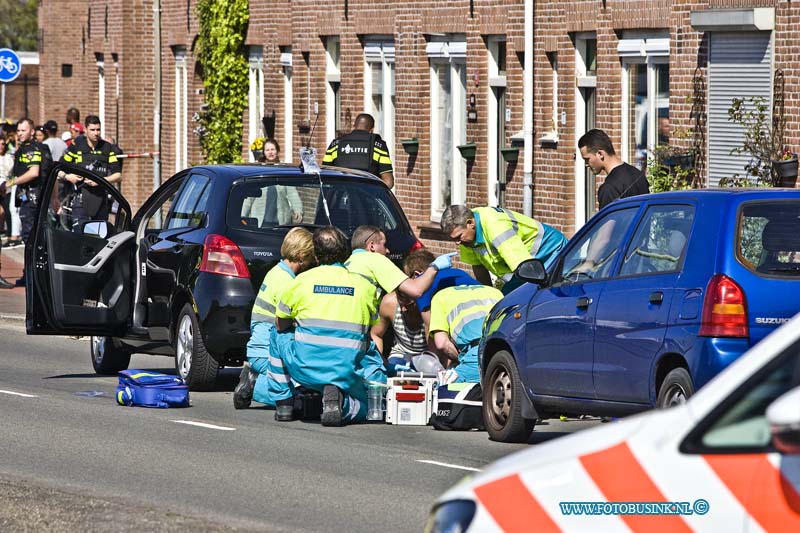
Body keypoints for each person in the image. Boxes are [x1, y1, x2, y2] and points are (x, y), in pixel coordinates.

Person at [268, 226, 380, 426]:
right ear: (345, 253)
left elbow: (280, 324)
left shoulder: (300, 282)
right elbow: (371, 330)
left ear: (316, 255)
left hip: (305, 368)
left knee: (276, 334)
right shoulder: (366, 287)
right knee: (366, 408)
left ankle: (284, 402)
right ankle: (343, 403)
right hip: (346, 370)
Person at [233, 227, 316, 411]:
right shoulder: (288, 283)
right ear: (302, 255)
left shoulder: (276, 272)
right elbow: (286, 322)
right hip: (266, 353)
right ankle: (254, 385)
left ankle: (254, 377)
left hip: (258, 349)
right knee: (293, 394)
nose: (312, 262)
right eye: (311, 257)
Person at [440, 205, 567, 294]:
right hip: (526, 266)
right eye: (453, 239)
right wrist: (487, 295)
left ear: (470, 223)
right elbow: (478, 267)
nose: (457, 243)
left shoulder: (495, 225)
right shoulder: (467, 238)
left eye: (458, 236)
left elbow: (523, 266)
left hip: (552, 251)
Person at [345, 225, 454, 302]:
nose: (387, 251)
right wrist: (435, 267)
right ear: (372, 246)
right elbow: (416, 290)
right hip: (352, 330)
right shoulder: (375, 259)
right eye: (384, 245)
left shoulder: (347, 263)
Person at [429, 284, 503, 383]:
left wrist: (460, 357)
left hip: (478, 356)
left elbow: (442, 343)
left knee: (442, 387)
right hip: (509, 353)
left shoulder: (440, 297)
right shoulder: (495, 291)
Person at [59, 115, 122, 227]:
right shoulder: (77, 146)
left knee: (99, 238)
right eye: (92, 130)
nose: (96, 133)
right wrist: (68, 177)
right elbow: (58, 168)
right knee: (80, 236)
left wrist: (101, 181)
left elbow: (118, 175)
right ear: (85, 130)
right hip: (80, 200)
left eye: (98, 130)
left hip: (101, 201)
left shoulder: (107, 148)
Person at [8, 118, 48, 287]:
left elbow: (34, 172)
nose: (20, 133)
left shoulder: (30, 149)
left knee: (30, 239)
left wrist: (11, 183)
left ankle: (31, 276)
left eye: (23, 130)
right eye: (18, 131)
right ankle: (33, 275)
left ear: (32, 132)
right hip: (38, 198)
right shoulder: (40, 148)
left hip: (31, 199)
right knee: (36, 238)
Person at [578, 128, 650, 209]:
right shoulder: (638, 175)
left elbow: (608, 221)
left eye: (587, 159)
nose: (586, 164)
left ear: (600, 154)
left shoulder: (609, 188)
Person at [322, 113, 394, 188]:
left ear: (354, 126)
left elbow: (324, 173)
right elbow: (389, 182)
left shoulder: (335, 144)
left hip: (339, 196)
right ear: (372, 129)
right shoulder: (378, 146)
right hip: (366, 197)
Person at [243, 138, 303, 226]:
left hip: (281, 222)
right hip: (260, 221)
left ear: (277, 151)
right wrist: (243, 215)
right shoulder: (258, 171)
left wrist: (298, 210)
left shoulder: (283, 170)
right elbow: (249, 197)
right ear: (264, 152)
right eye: (267, 150)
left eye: (272, 149)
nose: (270, 152)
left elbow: (292, 193)